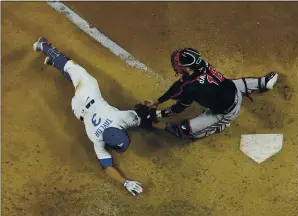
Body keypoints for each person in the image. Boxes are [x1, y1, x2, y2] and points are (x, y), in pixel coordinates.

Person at [32, 37, 145, 196]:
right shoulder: (96, 139)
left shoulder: (119, 118)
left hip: (88, 92)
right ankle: (46, 54)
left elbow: (139, 116)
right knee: (74, 74)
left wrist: (126, 182)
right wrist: (124, 182)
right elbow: (107, 167)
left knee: (74, 68)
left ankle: (44, 47)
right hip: (77, 109)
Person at [145, 48, 279, 139]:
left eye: (177, 64)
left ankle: (219, 127)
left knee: (184, 130)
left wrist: (160, 114)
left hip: (226, 112)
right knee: (234, 84)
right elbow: (178, 86)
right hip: (234, 89)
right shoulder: (202, 64)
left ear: (185, 67)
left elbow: (178, 108)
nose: (175, 65)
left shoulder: (190, 88)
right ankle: (263, 82)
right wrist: (158, 101)